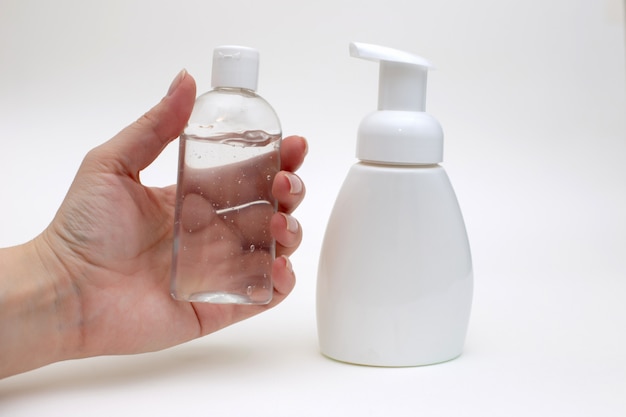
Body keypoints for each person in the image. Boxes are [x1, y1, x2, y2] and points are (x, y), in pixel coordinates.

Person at [0, 70, 308, 379]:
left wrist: (62, 281)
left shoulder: (259, 114)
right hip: (174, 276)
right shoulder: (208, 110)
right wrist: (65, 272)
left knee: (273, 220)